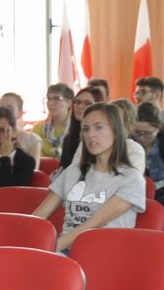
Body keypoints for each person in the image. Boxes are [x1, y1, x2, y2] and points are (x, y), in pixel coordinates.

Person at [33, 101, 146, 252]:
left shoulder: (132, 178)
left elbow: (93, 224)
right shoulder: (73, 172)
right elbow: (38, 217)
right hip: (64, 250)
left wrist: (50, 249)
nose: (90, 134)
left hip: (104, 253)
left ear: (116, 131)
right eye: (86, 129)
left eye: (99, 127)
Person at [57, 85, 101, 170]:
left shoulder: (101, 138)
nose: (80, 106)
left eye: (87, 103)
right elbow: (64, 170)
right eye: (77, 102)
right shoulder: (69, 138)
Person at [31, 83, 72, 159]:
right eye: (48, 99)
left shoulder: (76, 127)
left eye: (56, 98)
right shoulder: (39, 127)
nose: (50, 103)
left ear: (69, 103)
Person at [0, 91, 42, 159]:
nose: (3, 112)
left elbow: (33, 169)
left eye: (9, 108)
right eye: (1, 108)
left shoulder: (32, 140)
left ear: (20, 113)